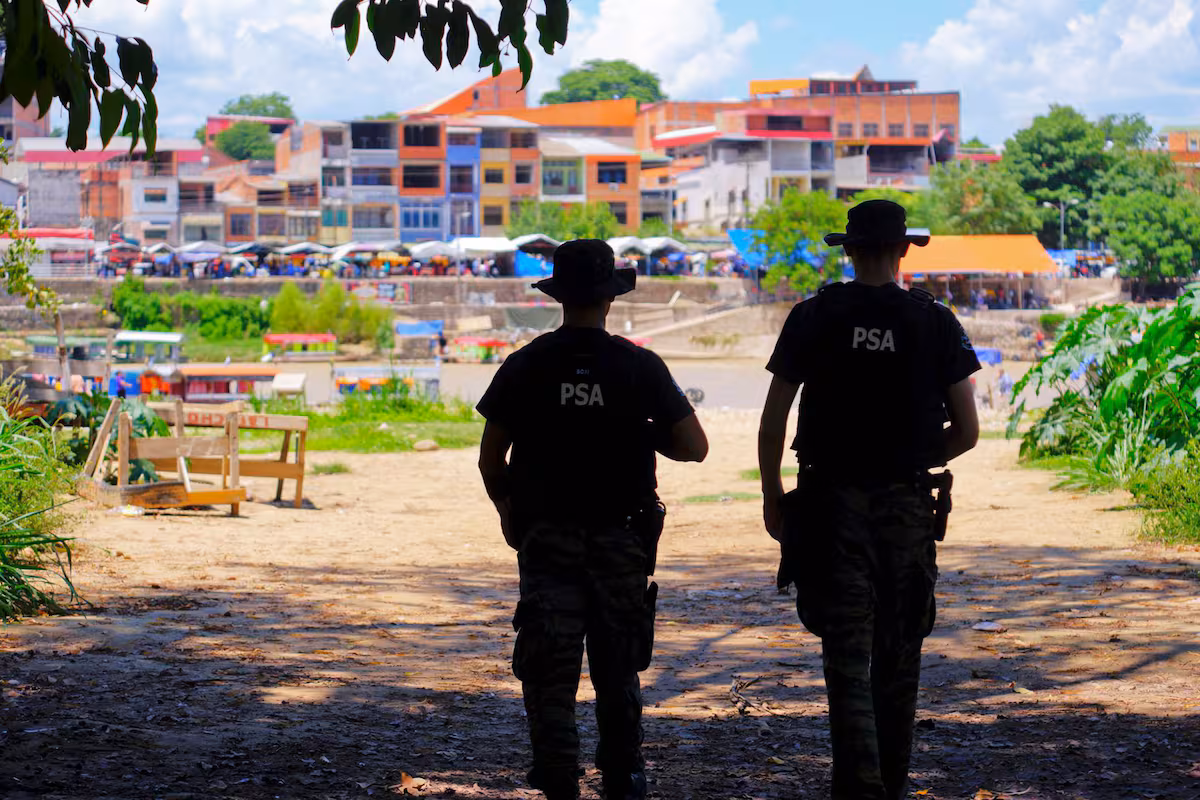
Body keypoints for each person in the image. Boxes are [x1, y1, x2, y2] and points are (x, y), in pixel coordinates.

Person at [757, 200, 981, 800]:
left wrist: (773, 495)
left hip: (828, 504)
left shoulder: (812, 316)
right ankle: (892, 786)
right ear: (905, 249)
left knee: (846, 654)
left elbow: (775, 417)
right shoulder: (936, 322)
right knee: (900, 654)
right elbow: (966, 431)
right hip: (906, 507)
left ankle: (858, 787)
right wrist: (908, 455)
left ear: (848, 250)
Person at [476, 239, 709, 800]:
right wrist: (632, 425)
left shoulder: (527, 363)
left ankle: (557, 774)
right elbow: (694, 445)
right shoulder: (639, 364)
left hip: (546, 535)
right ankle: (624, 773)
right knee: (617, 664)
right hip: (620, 539)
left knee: (548, 668)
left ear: (559, 296)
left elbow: (490, 457)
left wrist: (510, 515)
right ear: (610, 301)